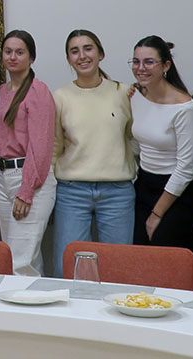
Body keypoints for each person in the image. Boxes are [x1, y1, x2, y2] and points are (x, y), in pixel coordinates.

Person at [50, 30, 135, 276]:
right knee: (68, 267)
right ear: (68, 59)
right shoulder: (60, 97)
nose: (82, 56)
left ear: (101, 54)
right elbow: (55, 146)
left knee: (118, 269)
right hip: (72, 191)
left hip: (117, 192)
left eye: (88, 48)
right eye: (74, 51)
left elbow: (134, 137)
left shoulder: (123, 92)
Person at [129, 35, 193, 250]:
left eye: (149, 62)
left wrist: (156, 213)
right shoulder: (136, 96)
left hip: (177, 192)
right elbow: (138, 145)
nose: (141, 68)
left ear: (166, 66)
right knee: (140, 257)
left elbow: (186, 168)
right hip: (145, 184)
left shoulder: (185, 108)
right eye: (136, 61)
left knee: (168, 259)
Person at [0, 30, 55, 277]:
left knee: (20, 263)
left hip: (30, 178)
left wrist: (27, 191)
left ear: (31, 57)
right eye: (8, 52)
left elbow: (40, 146)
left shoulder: (38, 91)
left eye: (20, 52)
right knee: (15, 256)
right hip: (3, 176)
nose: (12, 57)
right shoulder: (3, 90)